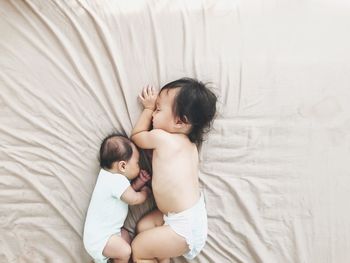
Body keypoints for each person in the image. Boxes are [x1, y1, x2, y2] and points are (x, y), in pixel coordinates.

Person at [130, 78, 217, 263]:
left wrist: (146, 109)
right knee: (143, 227)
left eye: (158, 109)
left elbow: (137, 137)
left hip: (182, 227)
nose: (154, 111)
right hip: (183, 217)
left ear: (179, 122)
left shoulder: (161, 138)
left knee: (138, 248)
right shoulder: (191, 146)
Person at [83, 133, 151, 263]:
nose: (139, 167)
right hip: (101, 239)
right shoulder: (116, 180)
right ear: (123, 166)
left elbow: (126, 193)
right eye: (137, 163)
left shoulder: (107, 177)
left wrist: (139, 182)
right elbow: (133, 198)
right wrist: (145, 192)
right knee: (126, 251)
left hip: (103, 235)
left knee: (126, 237)